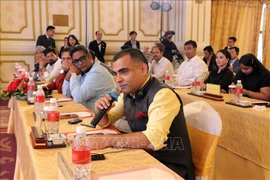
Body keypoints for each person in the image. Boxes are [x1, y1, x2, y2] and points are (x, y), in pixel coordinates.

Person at [89, 48, 195, 179]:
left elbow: (153, 139)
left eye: (124, 72)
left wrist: (107, 140)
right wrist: (101, 112)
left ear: (143, 69)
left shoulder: (163, 95)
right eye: (116, 74)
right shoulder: (129, 92)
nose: (118, 79)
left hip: (171, 169)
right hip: (145, 159)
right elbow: (107, 121)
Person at [62, 45, 116, 112]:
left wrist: (73, 74)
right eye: (76, 61)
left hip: (100, 118)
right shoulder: (81, 71)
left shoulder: (97, 72)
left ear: (89, 57)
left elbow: (78, 98)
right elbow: (66, 93)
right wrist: (68, 75)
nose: (80, 63)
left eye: (82, 59)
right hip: (86, 114)